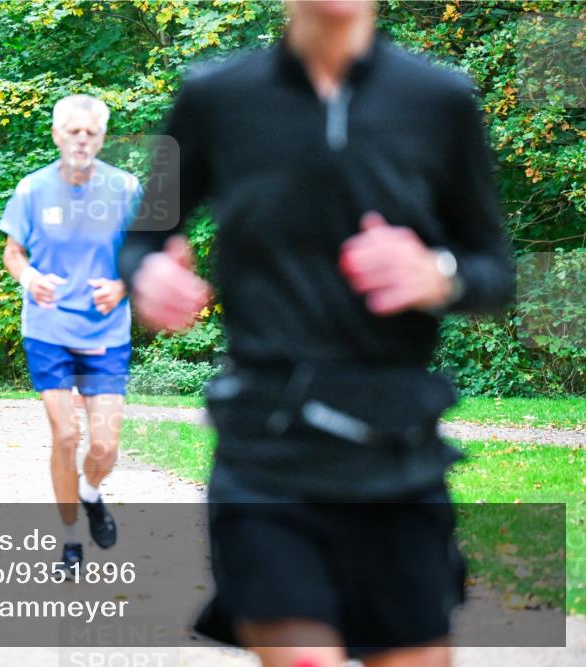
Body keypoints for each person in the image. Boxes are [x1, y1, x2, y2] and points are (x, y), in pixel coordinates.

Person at [118, 1, 514, 665]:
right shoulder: (211, 97)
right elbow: (141, 235)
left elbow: (494, 270)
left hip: (397, 454)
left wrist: (437, 272)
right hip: (267, 454)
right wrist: (145, 273)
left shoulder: (441, 100)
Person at [0, 95, 141, 574]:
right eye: (73, 131)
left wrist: (124, 284)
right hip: (49, 328)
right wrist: (30, 279)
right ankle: (70, 541)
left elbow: (151, 253)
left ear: (102, 138)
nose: (82, 140)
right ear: (58, 135)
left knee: (103, 447)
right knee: (66, 434)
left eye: (91, 133)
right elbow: (13, 252)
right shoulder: (32, 190)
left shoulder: (125, 188)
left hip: (106, 332)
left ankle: (90, 493)